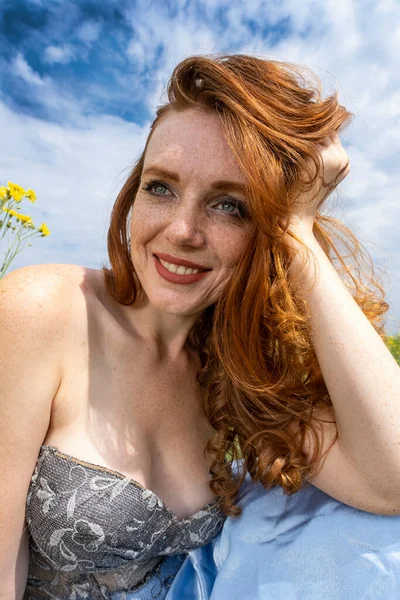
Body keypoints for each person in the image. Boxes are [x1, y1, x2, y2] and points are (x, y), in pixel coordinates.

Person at [1, 53, 400, 600]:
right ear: (132, 193)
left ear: (266, 231)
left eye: (230, 205)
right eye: (160, 187)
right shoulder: (44, 310)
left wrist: (299, 233)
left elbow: (390, 480)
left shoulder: (239, 371)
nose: (183, 230)